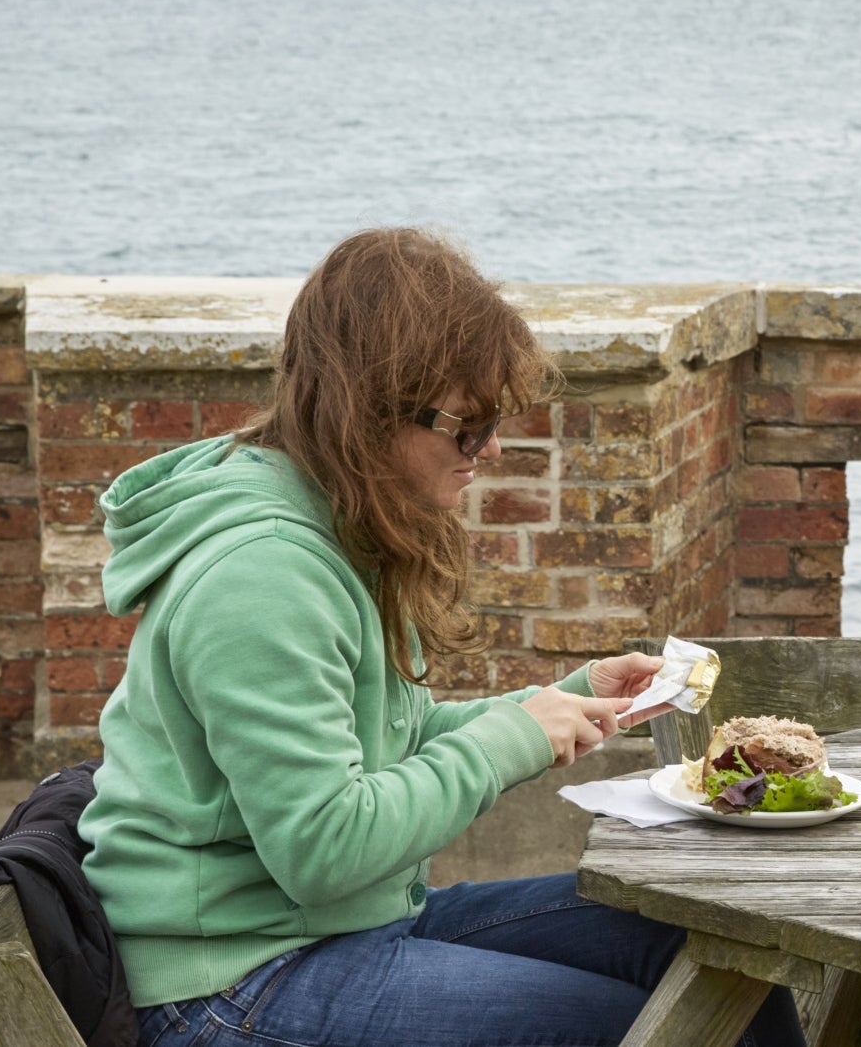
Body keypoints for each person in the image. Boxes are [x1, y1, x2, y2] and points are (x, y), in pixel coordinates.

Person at [78, 229, 805, 1047]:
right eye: (468, 425)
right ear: (368, 410)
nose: (491, 448)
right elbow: (324, 846)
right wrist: (510, 741)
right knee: (673, 1029)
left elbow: (389, 743)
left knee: (725, 955)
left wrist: (558, 702)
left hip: (337, 932)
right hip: (232, 981)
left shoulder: (330, 522)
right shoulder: (264, 575)